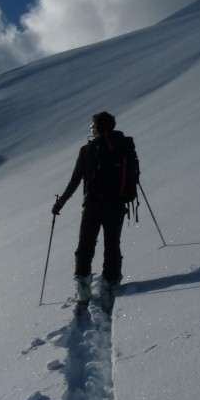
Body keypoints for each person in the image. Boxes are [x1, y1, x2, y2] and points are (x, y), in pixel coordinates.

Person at [51, 111, 139, 304]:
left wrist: (60, 202)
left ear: (96, 128)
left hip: (92, 204)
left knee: (86, 244)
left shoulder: (87, 150)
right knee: (112, 243)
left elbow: (75, 181)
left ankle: (83, 285)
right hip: (117, 204)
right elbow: (133, 174)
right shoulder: (124, 146)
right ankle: (110, 282)